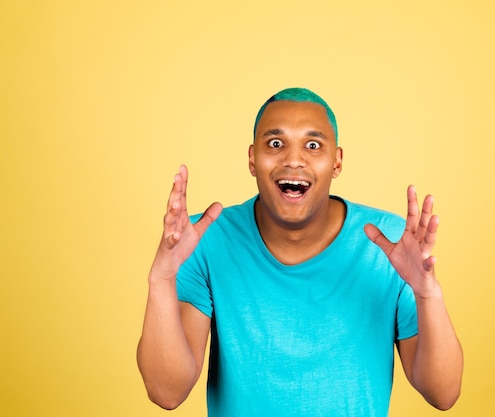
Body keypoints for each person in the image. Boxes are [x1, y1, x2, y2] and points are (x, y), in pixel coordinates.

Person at [137, 88, 463, 416]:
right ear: (252, 159)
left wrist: (427, 294)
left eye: (313, 145)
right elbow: (167, 391)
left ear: (337, 161)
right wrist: (162, 277)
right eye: (276, 144)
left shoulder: (392, 244)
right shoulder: (205, 239)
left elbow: (442, 393)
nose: (294, 160)